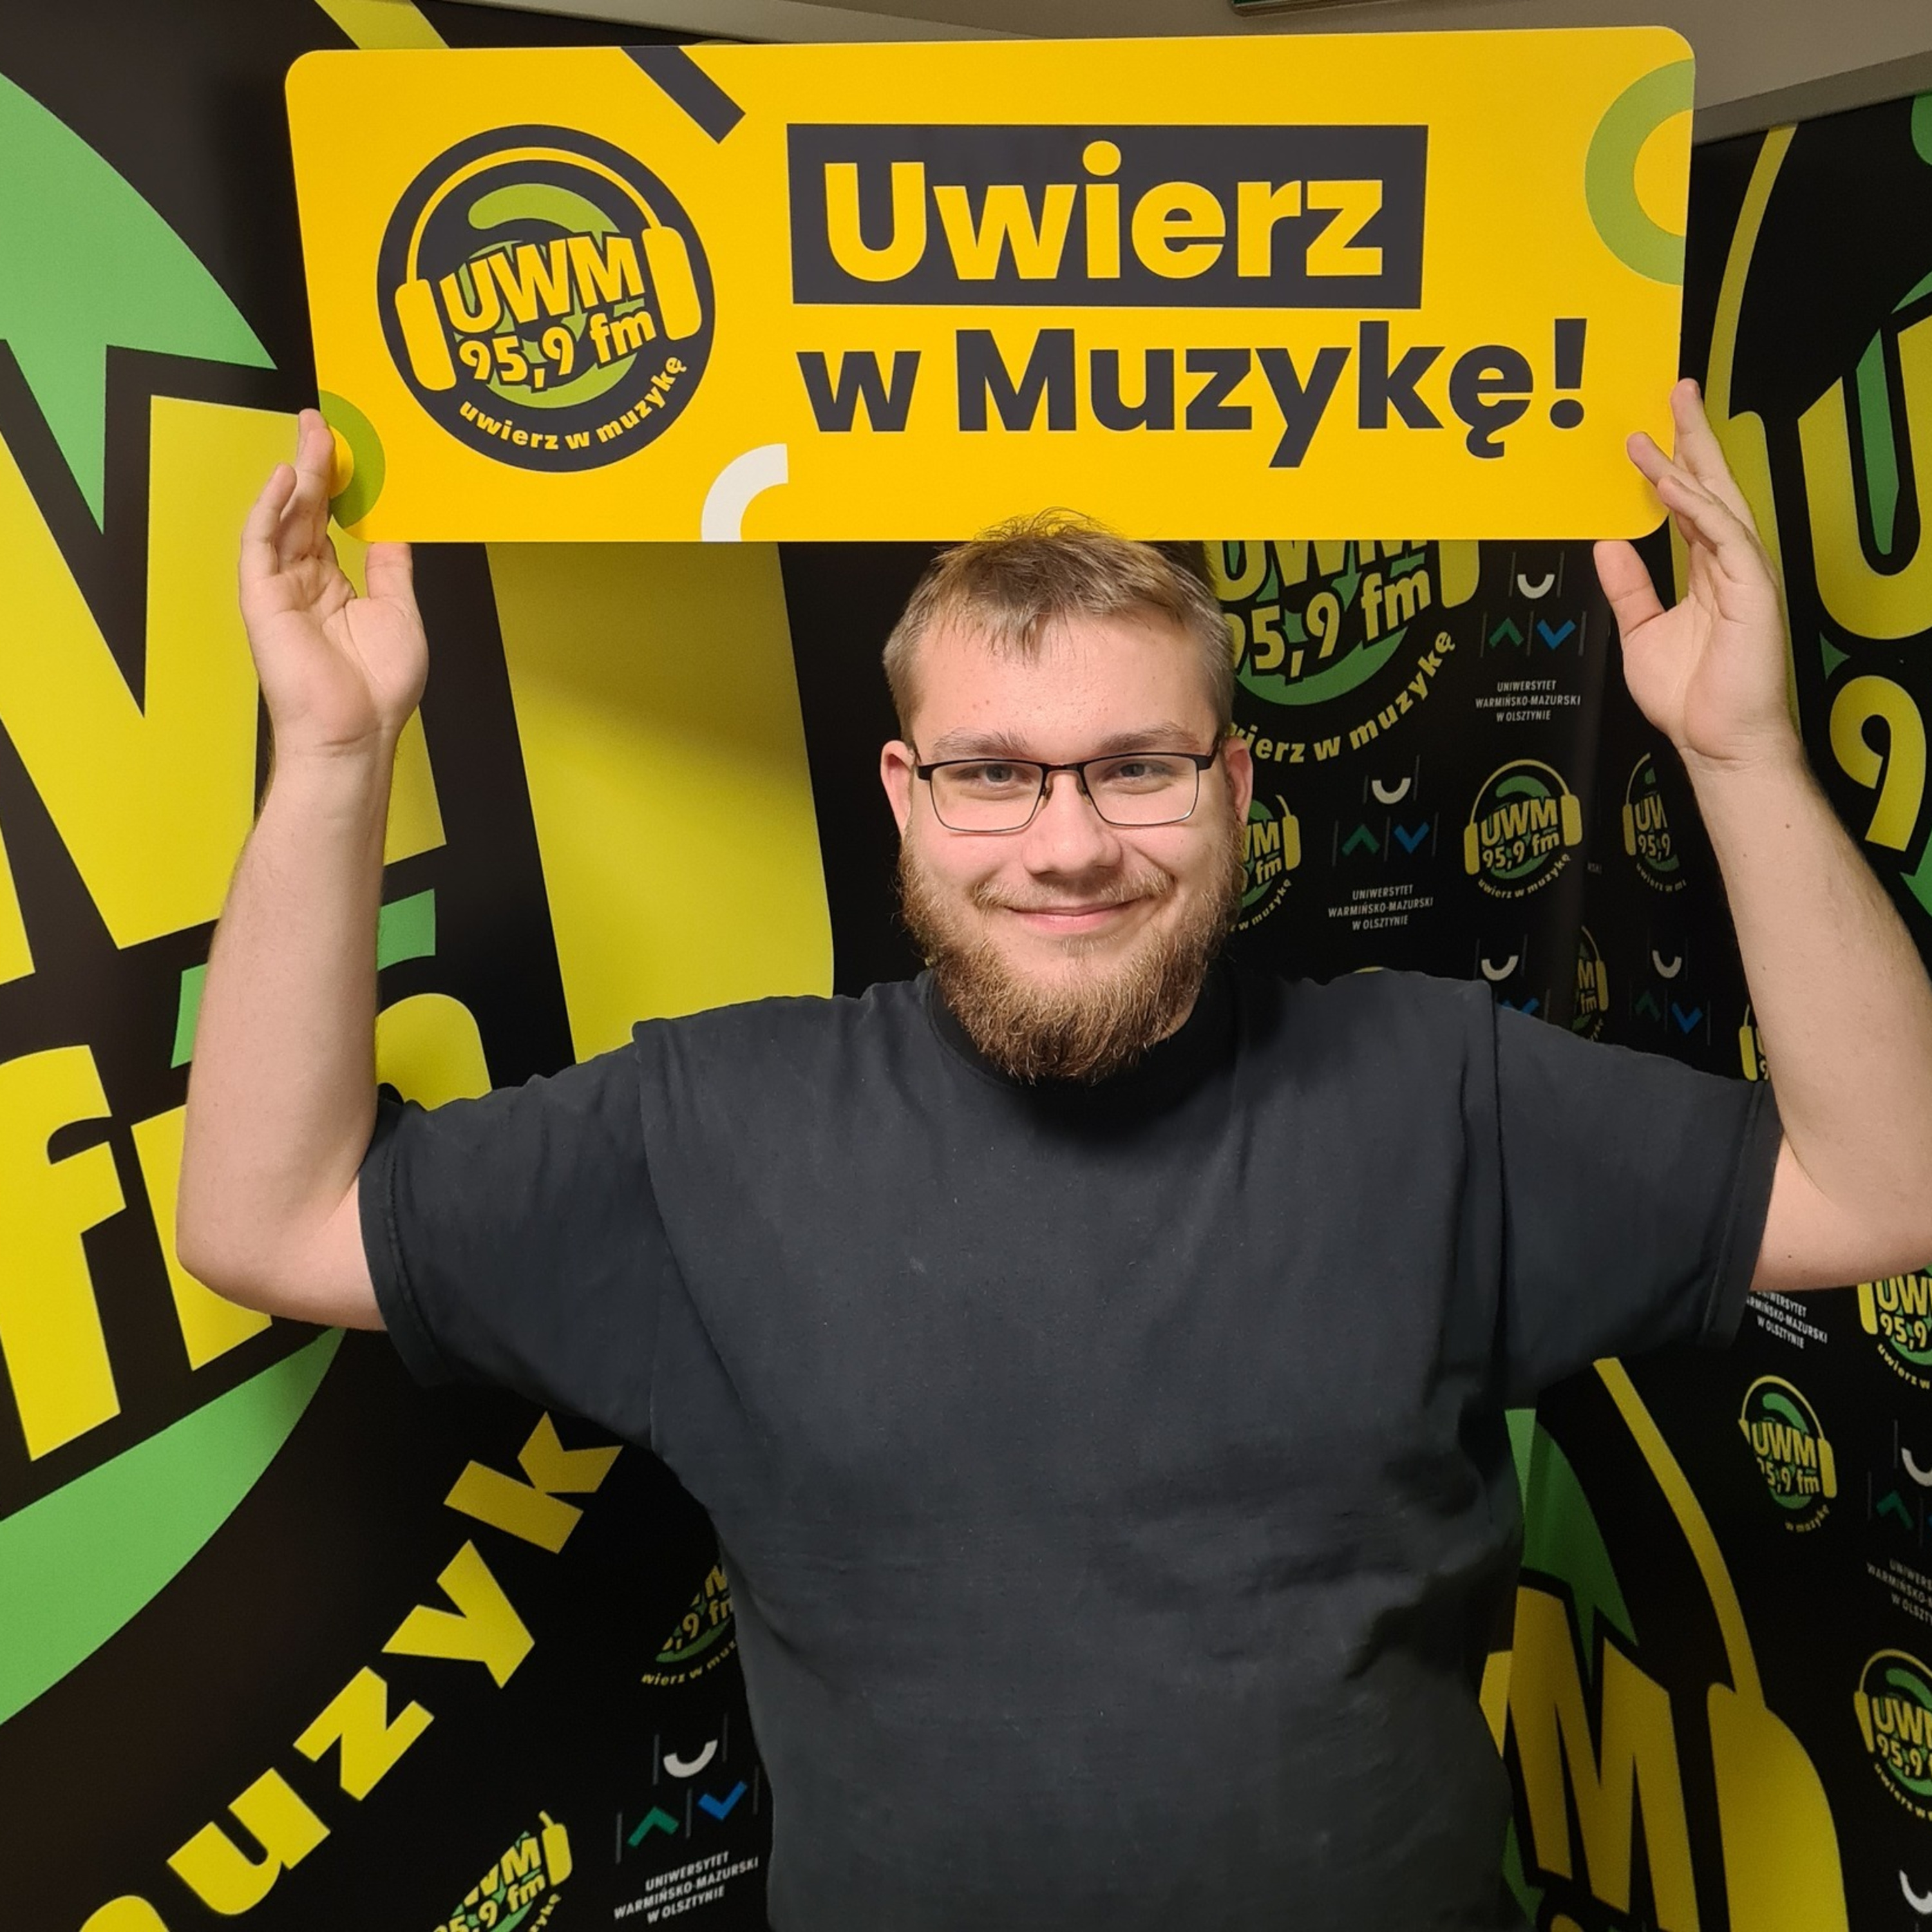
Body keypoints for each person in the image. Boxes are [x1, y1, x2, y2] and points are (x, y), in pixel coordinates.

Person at [180, 382, 1932, 1931]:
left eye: (1137, 768)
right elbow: (270, 1220)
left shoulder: (1432, 1093)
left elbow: (1890, 1185)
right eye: (995, 775)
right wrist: (334, 754)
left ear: (1236, 787)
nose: (1069, 845)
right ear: (905, 795)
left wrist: (1743, 749)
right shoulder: (719, 1129)